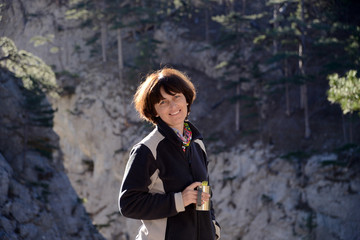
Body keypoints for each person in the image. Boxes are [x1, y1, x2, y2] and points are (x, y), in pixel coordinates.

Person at [118, 67, 221, 240]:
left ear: (186, 100)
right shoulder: (147, 150)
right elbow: (129, 204)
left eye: (176, 97)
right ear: (154, 111)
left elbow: (203, 195)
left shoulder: (196, 144)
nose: (173, 106)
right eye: (163, 102)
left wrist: (213, 230)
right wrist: (180, 200)